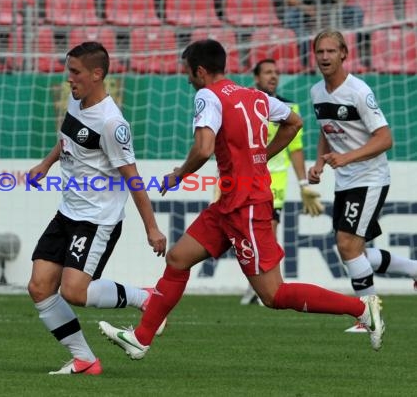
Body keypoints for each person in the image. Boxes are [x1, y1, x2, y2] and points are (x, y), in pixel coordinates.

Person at [98, 39, 385, 360]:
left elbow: (205, 147)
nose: (187, 79)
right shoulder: (253, 95)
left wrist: (180, 174)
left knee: (273, 294)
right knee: (178, 258)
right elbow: (294, 122)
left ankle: (361, 308)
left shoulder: (207, 95)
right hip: (229, 204)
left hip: (247, 205)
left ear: (201, 71)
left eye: (188, 73)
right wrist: (262, 155)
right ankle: (141, 337)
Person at [27, 41, 167, 375]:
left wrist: (151, 227)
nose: (68, 79)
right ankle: (85, 360)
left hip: (97, 220)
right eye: (68, 71)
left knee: (74, 291)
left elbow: (133, 178)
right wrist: (45, 165)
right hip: (68, 212)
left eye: (74, 73)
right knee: (39, 287)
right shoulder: (77, 103)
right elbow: (67, 139)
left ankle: (144, 297)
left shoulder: (111, 123)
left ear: (96, 74)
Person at [308, 29, 417, 332]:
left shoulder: (358, 91)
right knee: (353, 249)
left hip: (370, 177)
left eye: (331, 51)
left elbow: (385, 138)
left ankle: (370, 316)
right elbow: (326, 129)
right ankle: (414, 270)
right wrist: (319, 163)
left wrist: (347, 158)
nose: (325, 57)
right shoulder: (317, 92)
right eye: (320, 52)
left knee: (347, 245)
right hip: (345, 180)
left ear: (344, 54)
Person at [240, 58, 325, 305]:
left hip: (273, 183)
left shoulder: (289, 108)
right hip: (245, 178)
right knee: (245, 232)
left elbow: (295, 149)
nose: (273, 76)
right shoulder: (247, 104)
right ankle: (257, 284)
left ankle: (262, 286)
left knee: (268, 230)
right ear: (256, 77)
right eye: (267, 72)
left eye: (276, 72)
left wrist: (302, 184)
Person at [278, 0, 363, 68]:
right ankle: (305, 61)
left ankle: (356, 57)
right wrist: (306, 8)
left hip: (334, 10)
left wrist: (328, 13)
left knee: (356, 12)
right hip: (305, 11)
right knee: (291, 15)